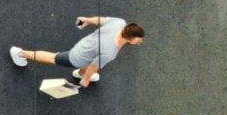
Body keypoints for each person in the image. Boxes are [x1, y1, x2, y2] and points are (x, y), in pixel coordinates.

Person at [9, 17, 145, 87]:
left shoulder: (120, 23)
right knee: (53, 58)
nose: (140, 42)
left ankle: (79, 73)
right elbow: (94, 67)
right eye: (138, 41)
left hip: (87, 46)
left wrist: (86, 20)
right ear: (129, 39)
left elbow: (101, 19)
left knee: (89, 62)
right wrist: (86, 79)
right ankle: (20, 53)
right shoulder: (110, 51)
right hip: (78, 57)